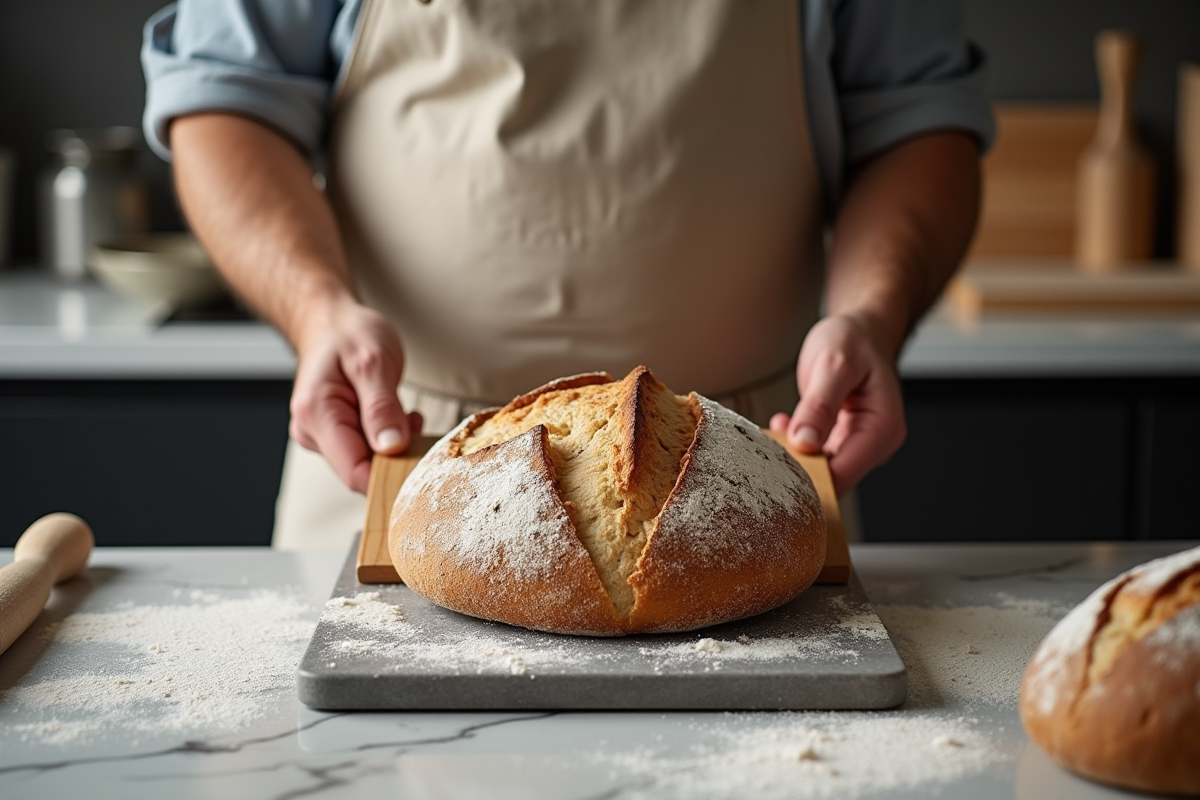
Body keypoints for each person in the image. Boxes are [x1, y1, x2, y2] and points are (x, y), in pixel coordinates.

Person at [142, 0, 993, 549]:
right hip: (399, 461)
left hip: (747, 468)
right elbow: (227, 99)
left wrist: (872, 318)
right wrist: (316, 310)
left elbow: (916, 127)